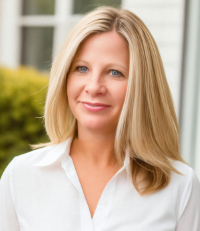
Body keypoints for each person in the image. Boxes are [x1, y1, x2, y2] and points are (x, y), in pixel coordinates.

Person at [0, 6, 200, 231]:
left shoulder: (181, 186)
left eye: (115, 72)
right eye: (82, 68)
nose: (94, 87)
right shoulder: (21, 176)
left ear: (142, 86)